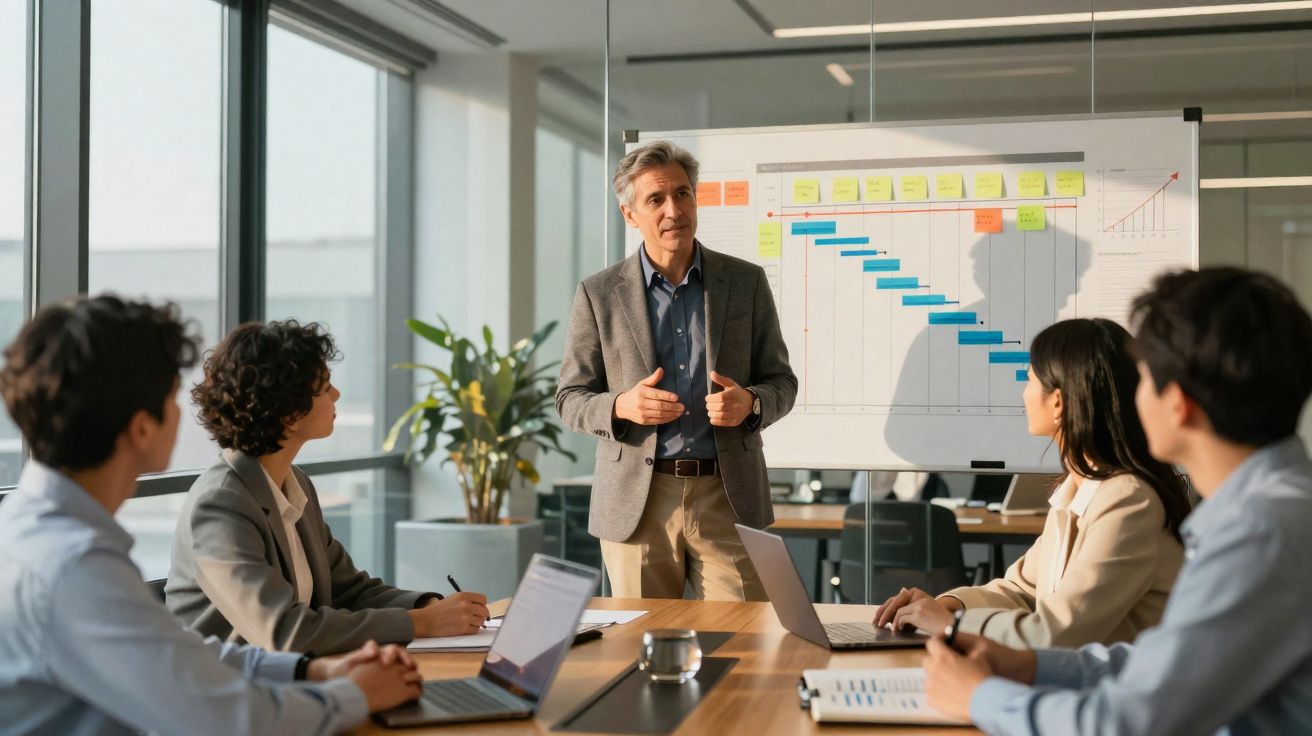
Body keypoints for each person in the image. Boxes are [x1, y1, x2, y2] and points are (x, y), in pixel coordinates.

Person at [0, 296, 421, 735]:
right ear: (143, 427)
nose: (185, 411)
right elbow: (227, 719)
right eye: (172, 396)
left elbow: (176, 651)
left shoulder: (33, 533)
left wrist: (309, 673)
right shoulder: (75, 564)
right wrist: (354, 694)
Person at [922, 267, 1312, 734]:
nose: (1129, 399)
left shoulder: (1259, 532)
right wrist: (1032, 667)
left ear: (1177, 404)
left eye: (1142, 380)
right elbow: (1166, 661)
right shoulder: (1270, 511)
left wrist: (980, 697)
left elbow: (1128, 723)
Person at [556, 140, 797, 600]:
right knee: (639, 648)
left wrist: (752, 402)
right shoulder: (599, 294)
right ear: (630, 215)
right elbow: (570, 398)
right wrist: (621, 405)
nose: (674, 209)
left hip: (728, 497)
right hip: (637, 501)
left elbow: (782, 381)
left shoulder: (745, 282)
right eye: (656, 199)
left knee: (743, 648)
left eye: (683, 194)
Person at [167, 320, 489, 655]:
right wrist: (420, 623)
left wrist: (428, 606)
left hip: (295, 683)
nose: (337, 395)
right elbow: (283, 631)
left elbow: (348, 591)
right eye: (325, 387)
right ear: (289, 411)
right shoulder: (221, 504)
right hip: (231, 697)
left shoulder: (293, 484)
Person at [874, 318, 1190, 648]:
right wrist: (946, 605)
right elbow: (1023, 589)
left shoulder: (1128, 501)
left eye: (1028, 378)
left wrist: (953, 625)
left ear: (1058, 402)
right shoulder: (1079, 491)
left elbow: (1055, 633)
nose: (1023, 392)